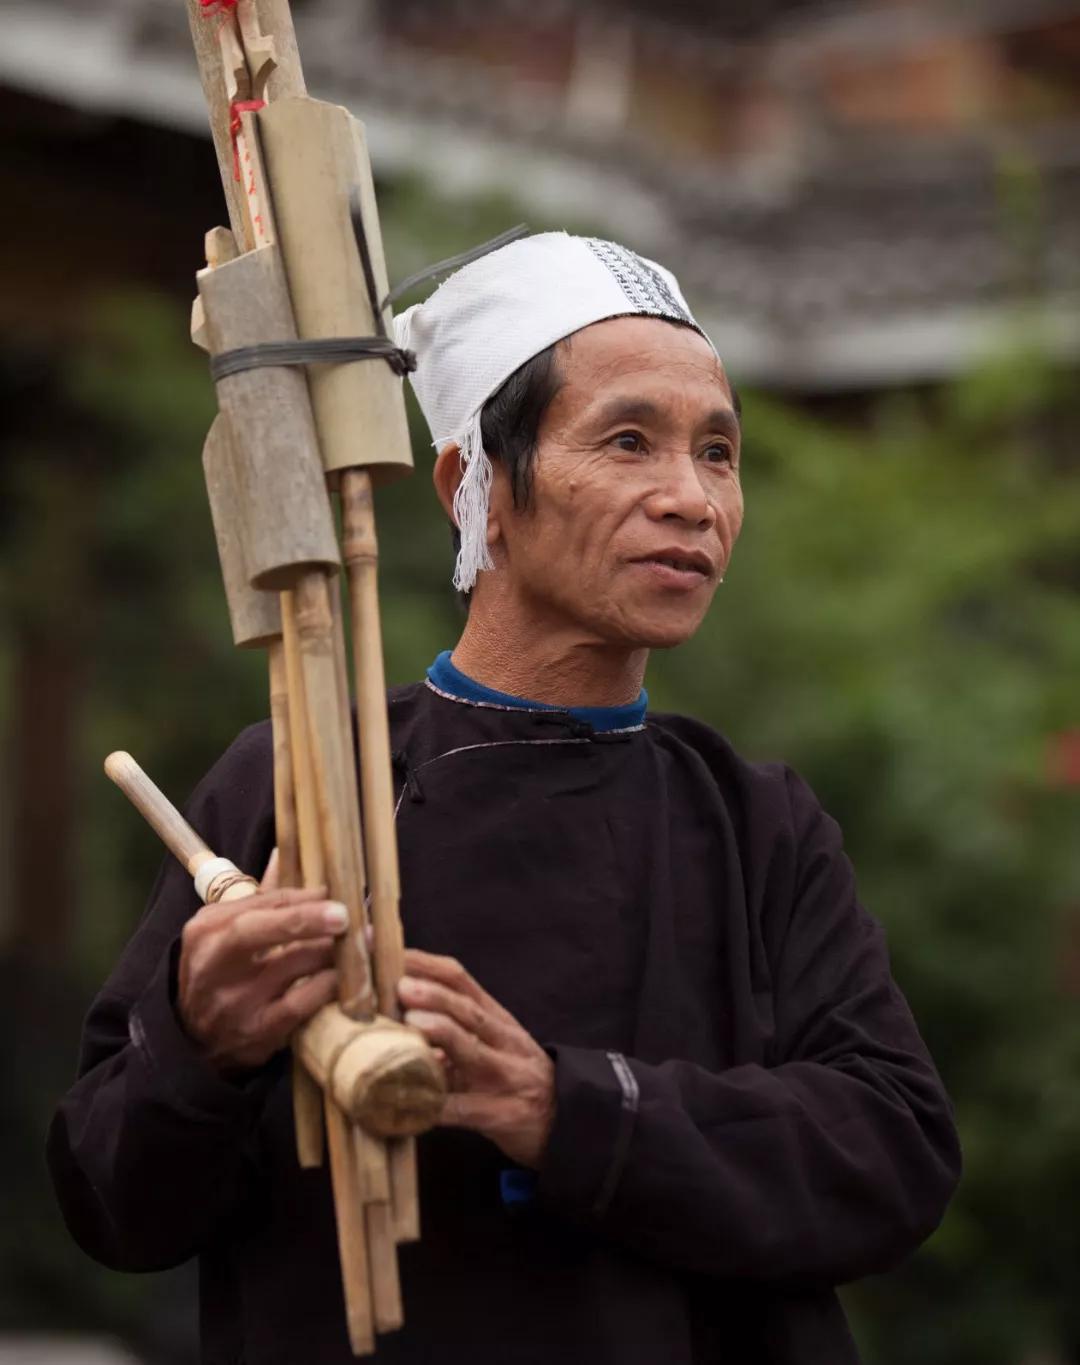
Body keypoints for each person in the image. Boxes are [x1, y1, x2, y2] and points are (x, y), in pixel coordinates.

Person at [47, 232, 960, 1365]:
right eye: (628, 441)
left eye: (719, 453)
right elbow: (112, 1204)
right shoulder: (307, 780)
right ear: (476, 487)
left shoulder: (757, 826)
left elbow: (892, 1155)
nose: (693, 499)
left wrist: (559, 1107)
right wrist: (200, 1044)